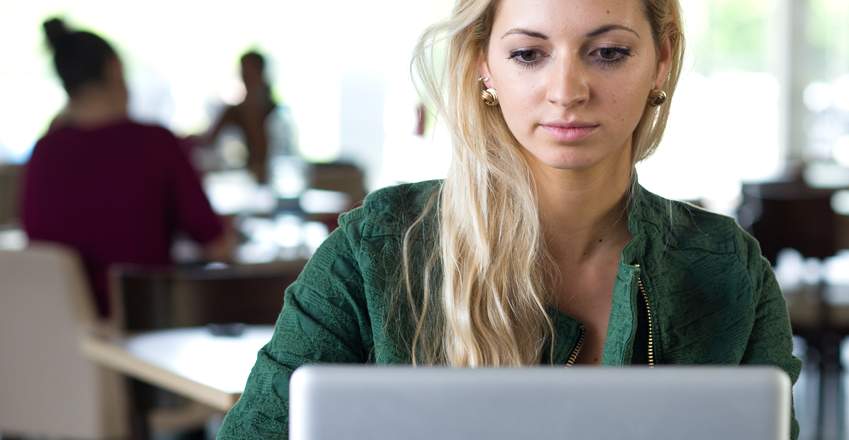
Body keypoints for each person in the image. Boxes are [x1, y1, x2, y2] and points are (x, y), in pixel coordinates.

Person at [219, 0, 801, 438]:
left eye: (609, 52)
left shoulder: (726, 267)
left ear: (661, 60)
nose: (567, 90)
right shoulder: (377, 250)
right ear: (484, 67)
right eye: (529, 54)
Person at [21, 18, 228, 318]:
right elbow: (216, 245)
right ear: (115, 67)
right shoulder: (155, 143)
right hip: (140, 338)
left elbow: (36, 248)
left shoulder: (44, 152)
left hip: (58, 342)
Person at [193, 51, 281, 183]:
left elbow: (269, 156)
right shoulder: (234, 112)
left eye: (251, 73)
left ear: (262, 74)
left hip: (277, 182)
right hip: (245, 182)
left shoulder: (277, 113)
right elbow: (209, 141)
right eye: (244, 73)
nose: (246, 78)